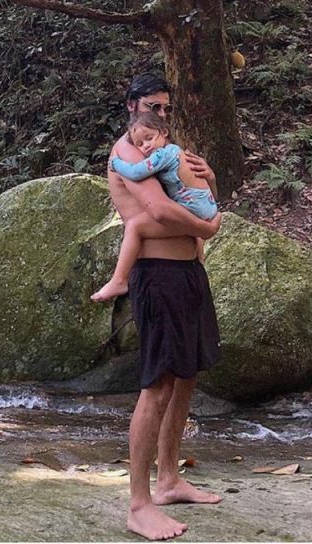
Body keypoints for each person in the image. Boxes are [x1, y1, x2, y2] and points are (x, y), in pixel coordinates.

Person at [107, 72, 222, 541]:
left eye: (168, 108)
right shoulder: (129, 152)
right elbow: (155, 211)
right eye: (154, 105)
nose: (162, 114)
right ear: (133, 105)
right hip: (157, 277)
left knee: (186, 375)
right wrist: (208, 228)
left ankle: (169, 479)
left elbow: (193, 191)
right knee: (156, 386)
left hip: (188, 274)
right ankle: (138, 504)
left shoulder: (161, 149)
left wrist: (210, 180)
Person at [92, 111, 217, 302]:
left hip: (183, 265)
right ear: (131, 105)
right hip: (164, 269)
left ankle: (119, 279)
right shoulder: (144, 149)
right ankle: (200, 258)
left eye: (149, 138)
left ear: (164, 132)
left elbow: (137, 172)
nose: (145, 146)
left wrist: (115, 163)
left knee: (135, 226)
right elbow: (161, 209)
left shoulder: (163, 154)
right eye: (140, 144)